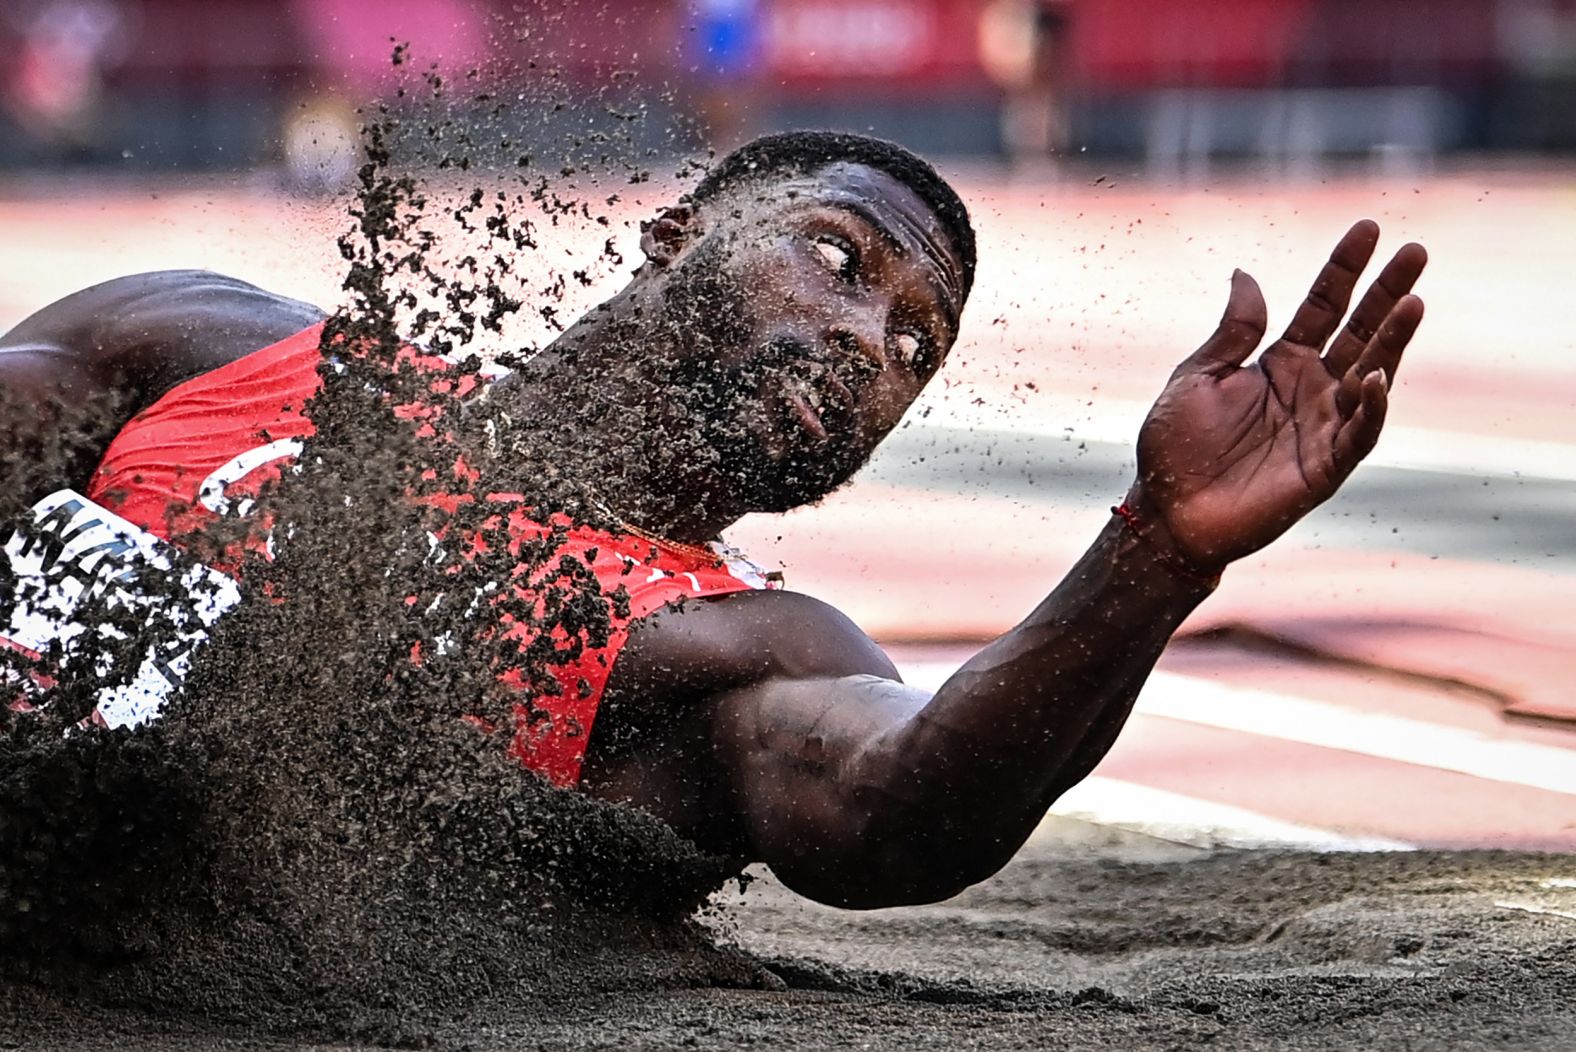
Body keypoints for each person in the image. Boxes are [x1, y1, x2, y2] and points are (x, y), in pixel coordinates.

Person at [0, 131, 1426, 909]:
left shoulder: (726, 648)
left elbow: (897, 808)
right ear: (674, 238)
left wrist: (1156, 556)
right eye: (837, 256)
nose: (873, 337)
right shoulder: (216, 345)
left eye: (916, 344)